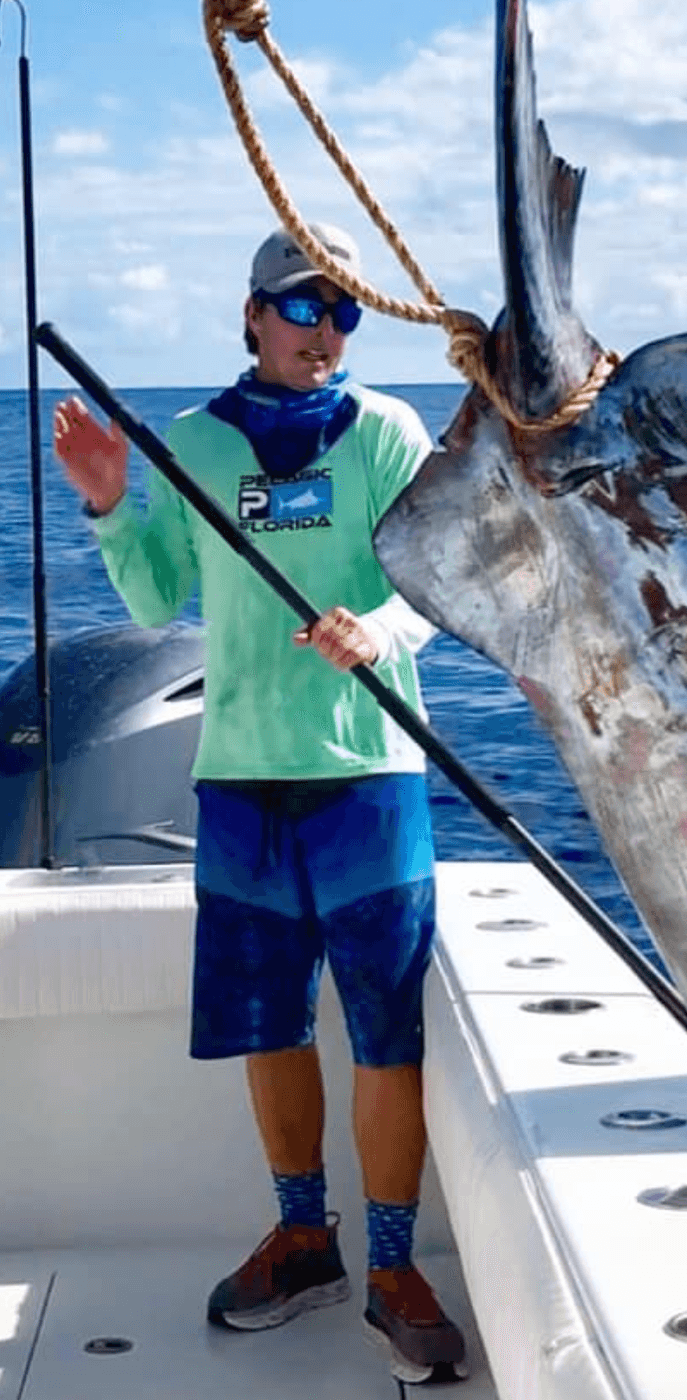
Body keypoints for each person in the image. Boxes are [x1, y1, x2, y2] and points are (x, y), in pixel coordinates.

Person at [51, 222, 465, 1383]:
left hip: (367, 781)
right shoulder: (191, 441)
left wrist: (374, 629)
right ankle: (303, 1240)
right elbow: (153, 598)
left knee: (386, 1035)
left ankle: (392, 1265)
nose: (323, 333)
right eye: (300, 308)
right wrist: (109, 505)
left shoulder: (383, 433)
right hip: (237, 781)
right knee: (269, 1028)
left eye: (342, 313)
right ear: (248, 314)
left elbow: (430, 582)